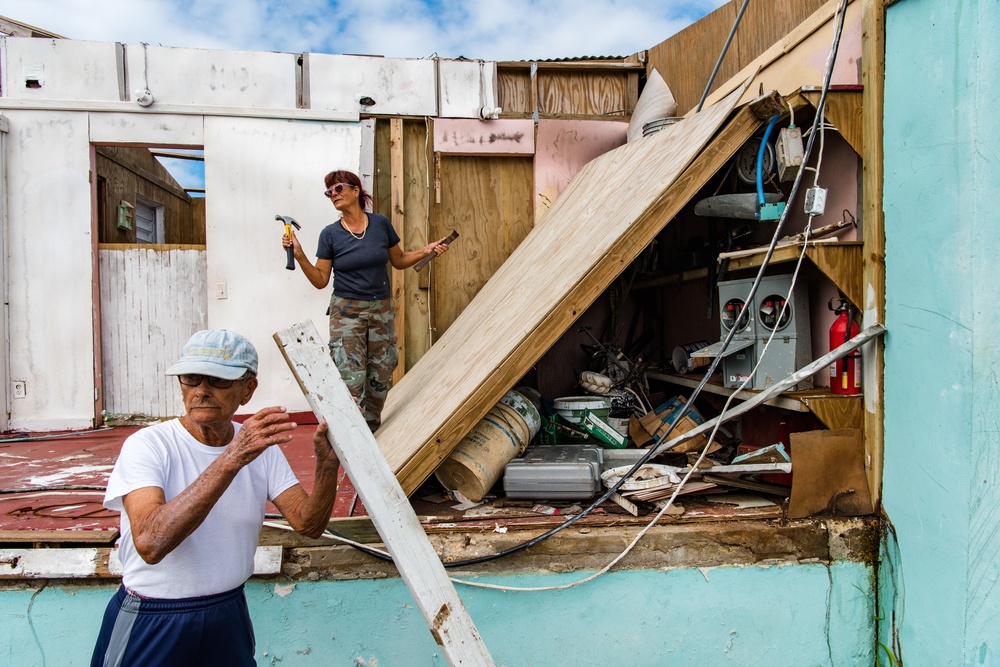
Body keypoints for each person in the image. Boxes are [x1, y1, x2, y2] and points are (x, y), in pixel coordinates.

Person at [91, 329, 340, 667]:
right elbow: (150, 542)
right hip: (153, 615)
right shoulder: (148, 445)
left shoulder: (256, 445)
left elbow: (308, 523)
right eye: (192, 378)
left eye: (218, 379)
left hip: (228, 612)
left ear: (248, 389)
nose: (202, 391)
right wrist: (232, 458)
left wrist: (327, 465)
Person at [283, 169, 450, 432]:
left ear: (356, 190)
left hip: (381, 309)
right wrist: (300, 254)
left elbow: (398, 260)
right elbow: (320, 280)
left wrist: (426, 251)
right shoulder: (330, 235)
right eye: (329, 192)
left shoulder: (381, 224)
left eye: (338, 189)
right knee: (351, 377)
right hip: (347, 312)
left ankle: (371, 433)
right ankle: (352, 435)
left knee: (380, 376)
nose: (333, 195)